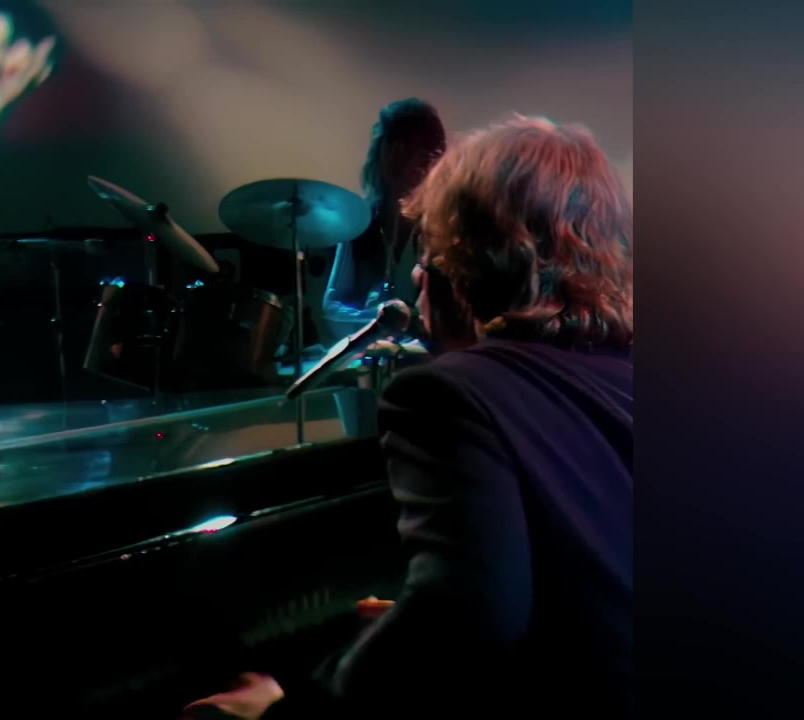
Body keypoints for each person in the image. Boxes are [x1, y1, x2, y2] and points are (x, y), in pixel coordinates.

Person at [183, 115, 633, 718]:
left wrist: (291, 711)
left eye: (432, 248)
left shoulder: (448, 395)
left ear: (463, 260)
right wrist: (421, 615)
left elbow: (473, 611)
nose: (420, 273)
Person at [321, 98, 447, 340]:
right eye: (394, 148)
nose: (401, 161)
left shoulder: (441, 225)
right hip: (371, 353)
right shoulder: (359, 220)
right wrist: (380, 316)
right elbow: (332, 307)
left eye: (424, 154)